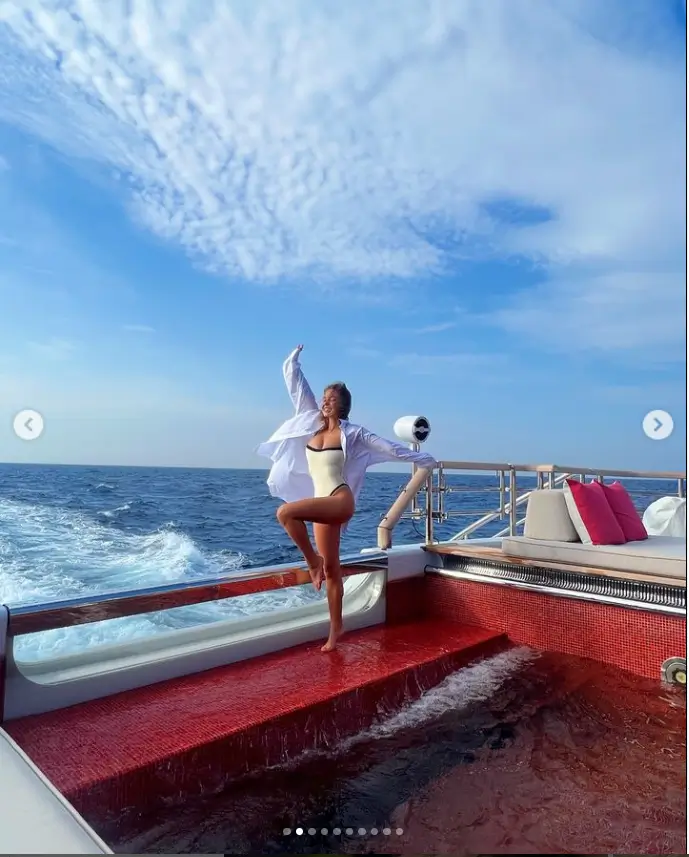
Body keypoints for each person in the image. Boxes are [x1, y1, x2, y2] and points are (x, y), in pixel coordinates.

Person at [256, 345, 437, 652]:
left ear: (343, 406)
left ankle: (311, 561)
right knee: (332, 570)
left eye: (332, 400)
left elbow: (389, 448)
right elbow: (298, 391)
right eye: (324, 398)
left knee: (286, 514)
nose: (326, 403)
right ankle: (336, 627)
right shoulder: (311, 423)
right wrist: (293, 363)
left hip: (339, 500)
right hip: (320, 501)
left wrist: (427, 460)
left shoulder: (353, 434)